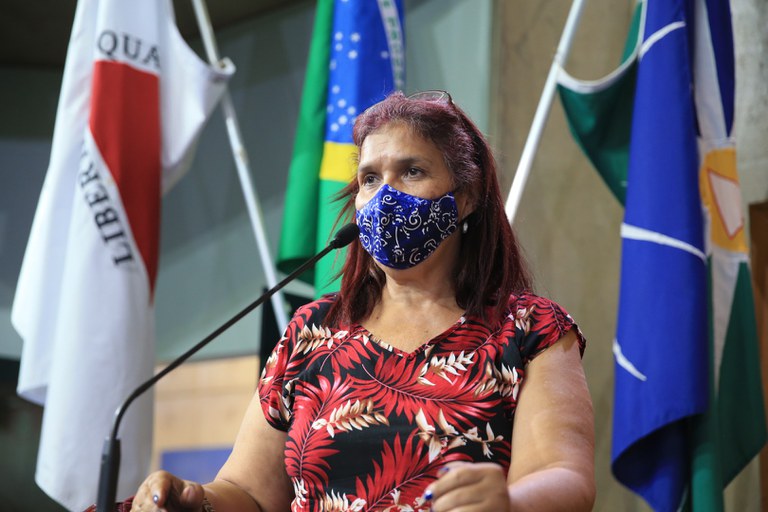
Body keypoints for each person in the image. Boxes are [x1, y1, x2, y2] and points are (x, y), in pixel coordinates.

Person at [130, 91, 595, 511]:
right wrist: (196, 503)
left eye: (412, 171)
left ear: (467, 197)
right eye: (370, 178)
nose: (385, 196)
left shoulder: (529, 329)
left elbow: (565, 476)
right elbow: (249, 493)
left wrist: (509, 503)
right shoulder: (314, 331)